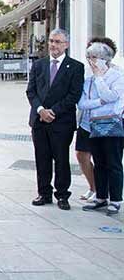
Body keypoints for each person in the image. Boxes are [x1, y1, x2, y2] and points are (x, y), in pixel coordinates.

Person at [26, 29, 84, 210]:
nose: (53, 45)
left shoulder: (76, 67)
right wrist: (41, 110)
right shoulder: (39, 65)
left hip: (61, 122)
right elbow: (31, 91)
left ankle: (62, 195)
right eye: (51, 41)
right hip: (39, 121)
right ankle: (44, 193)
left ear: (66, 45)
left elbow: (74, 95)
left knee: (61, 159)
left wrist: (53, 111)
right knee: (42, 158)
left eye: (58, 42)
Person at [78, 42, 124, 216]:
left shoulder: (117, 76)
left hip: (113, 125)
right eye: (89, 57)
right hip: (93, 125)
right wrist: (100, 102)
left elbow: (112, 96)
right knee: (99, 163)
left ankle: (116, 199)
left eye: (95, 57)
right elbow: (83, 103)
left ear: (105, 59)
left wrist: (99, 79)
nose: (91, 61)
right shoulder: (88, 80)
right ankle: (101, 196)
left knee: (113, 162)